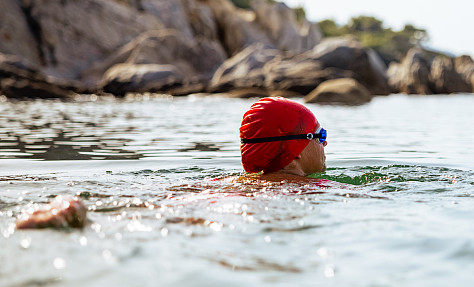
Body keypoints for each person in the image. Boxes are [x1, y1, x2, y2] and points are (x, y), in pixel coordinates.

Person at [15, 97, 328, 229]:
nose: (325, 143)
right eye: (319, 134)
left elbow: (158, 194)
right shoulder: (307, 190)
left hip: (182, 203)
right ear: (297, 150)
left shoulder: (225, 181)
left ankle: (69, 208)